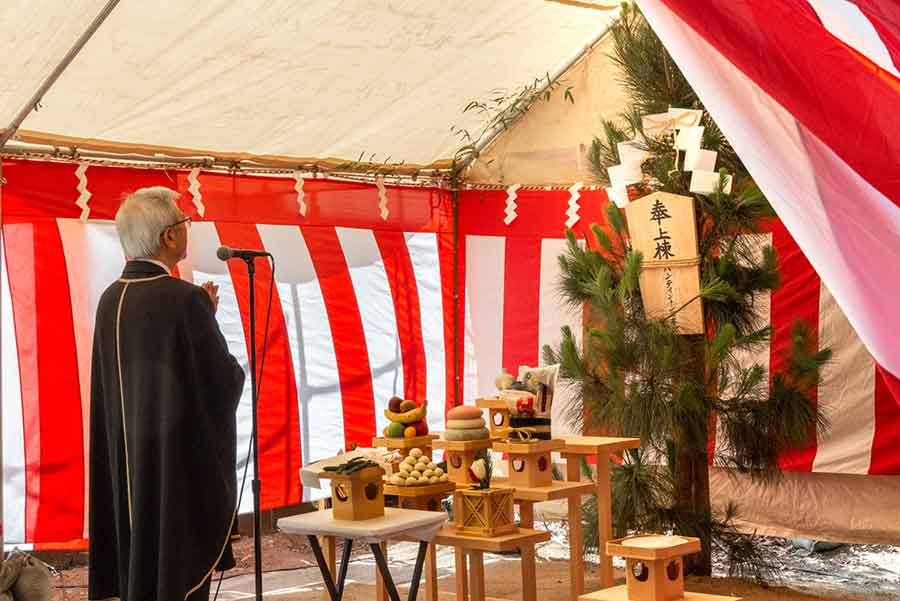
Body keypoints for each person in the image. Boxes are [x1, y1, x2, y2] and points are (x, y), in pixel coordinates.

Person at [89, 187, 245, 601]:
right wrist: (208, 320)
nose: (185, 229)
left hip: (127, 465)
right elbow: (222, 383)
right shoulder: (184, 299)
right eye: (183, 222)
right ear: (168, 237)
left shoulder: (109, 300)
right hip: (173, 472)